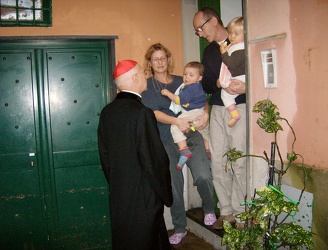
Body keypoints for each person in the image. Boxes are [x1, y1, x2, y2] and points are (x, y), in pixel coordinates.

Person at [141, 43, 216, 245]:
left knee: (203, 175)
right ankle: (180, 227)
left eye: (163, 58)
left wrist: (206, 115)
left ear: (168, 59)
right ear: (150, 62)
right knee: (174, 186)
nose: (160, 62)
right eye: (155, 59)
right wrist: (177, 121)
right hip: (166, 140)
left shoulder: (183, 79)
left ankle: (209, 208)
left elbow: (202, 99)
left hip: (191, 135)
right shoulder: (147, 86)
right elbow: (153, 114)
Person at [97, 60, 173, 250]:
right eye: (143, 72)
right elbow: (155, 160)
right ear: (136, 77)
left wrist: (118, 183)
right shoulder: (142, 113)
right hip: (144, 197)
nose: (146, 75)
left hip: (119, 193)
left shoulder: (107, 112)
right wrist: (165, 194)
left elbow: (104, 157)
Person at [193, 7, 247, 230]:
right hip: (217, 108)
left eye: (200, 27)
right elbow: (205, 84)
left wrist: (247, 86)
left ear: (213, 20)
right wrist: (217, 83)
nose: (199, 33)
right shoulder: (209, 52)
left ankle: (242, 213)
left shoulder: (245, 43)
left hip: (239, 107)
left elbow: (260, 76)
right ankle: (226, 212)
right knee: (218, 162)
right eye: (196, 30)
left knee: (240, 161)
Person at [161, 61, 210, 170]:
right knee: (204, 132)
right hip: (200, 112)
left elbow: (179, 100)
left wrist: (168, 93)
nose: (187, 77)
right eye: (185, 74)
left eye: (191, 75)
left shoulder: (190, 88)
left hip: (193, 113)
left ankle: (184, 150)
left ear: (200, 77)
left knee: (175, 126)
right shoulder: (197, 86)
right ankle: (208, 153)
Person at [218, 16, 245, 127]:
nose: (232, 36)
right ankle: (235, 115)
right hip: (239, 77)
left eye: (236, 34)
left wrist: (223, 53)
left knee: (225, 95)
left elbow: (232, 64)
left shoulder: (240, 49)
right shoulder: (235, 46)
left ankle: (235, 115)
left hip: (240, 77)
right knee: (226, 95)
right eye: (230, 33)